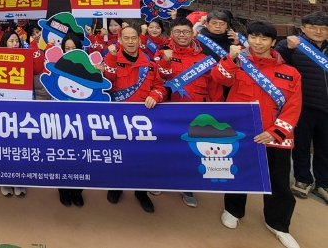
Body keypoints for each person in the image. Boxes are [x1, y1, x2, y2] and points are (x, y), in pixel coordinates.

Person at [212, 21, 302, 248]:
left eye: (263, 38)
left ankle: (278, 223)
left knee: (279, 181)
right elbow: (219, 78)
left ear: (273, 42)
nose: (258, 42)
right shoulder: (238, 62)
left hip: (275, 137)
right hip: (242, 134)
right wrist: (230, 58)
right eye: (253, 37)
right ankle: (233, 210)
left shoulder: (290, 72)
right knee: (237, 173)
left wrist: (275, 132)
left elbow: (293, 106)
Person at [157, 17, 223, 208]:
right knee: (166, 148)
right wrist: (165, 61)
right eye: (177, 31)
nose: (182, 35)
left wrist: (215, 112)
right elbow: (156, 79)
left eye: (186, 31)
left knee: (191, 150)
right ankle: (160, 180)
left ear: (193, 33)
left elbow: (215, 89)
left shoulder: (205, 59)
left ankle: (187, 186)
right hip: (168, 111)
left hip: (196, 113)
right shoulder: (162, 54)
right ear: (171, 34)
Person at [100, 25, 165, 213]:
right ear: (120, 40)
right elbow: (106, 82)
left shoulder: (150, 65)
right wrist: (111, 58)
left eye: (133, 38)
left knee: (142, 158)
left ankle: (141, 192)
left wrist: (155, 95)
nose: (130, 41)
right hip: (117, 120)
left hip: (143, 121)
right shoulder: (111, 59)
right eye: (126, 38)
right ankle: (116, 187)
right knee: (117, 156)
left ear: (139, 40)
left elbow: (160, 87)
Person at [275, 12, 328, 204]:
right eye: (313, 27)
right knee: (301, 145)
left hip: (326, 108)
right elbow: (277, 59)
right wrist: (286, 47)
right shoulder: (294, 46)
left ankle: (323, 183)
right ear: (303, 28)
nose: (318, 31)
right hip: (303, 106)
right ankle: (303, 179)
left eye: (323, 28)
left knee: (325, 147)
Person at [56, 33, 86, 209]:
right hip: (61, 118)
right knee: (62, 155)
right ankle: (63, 190)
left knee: (80, 156)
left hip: (81, 119)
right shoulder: (55, 68)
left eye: (74, 48)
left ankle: (77, 191)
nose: (70, 51)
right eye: (67, 49)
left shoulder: (88, 68)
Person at [0, 30, 28, 199]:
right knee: (4, 145)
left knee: (19, 145)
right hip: (2, 108)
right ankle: (5, 180)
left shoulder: (26, 58)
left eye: (17, 41)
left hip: (21, 108)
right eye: (11, 41)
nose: (15, 44)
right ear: (4, 43)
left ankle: (19, 179)